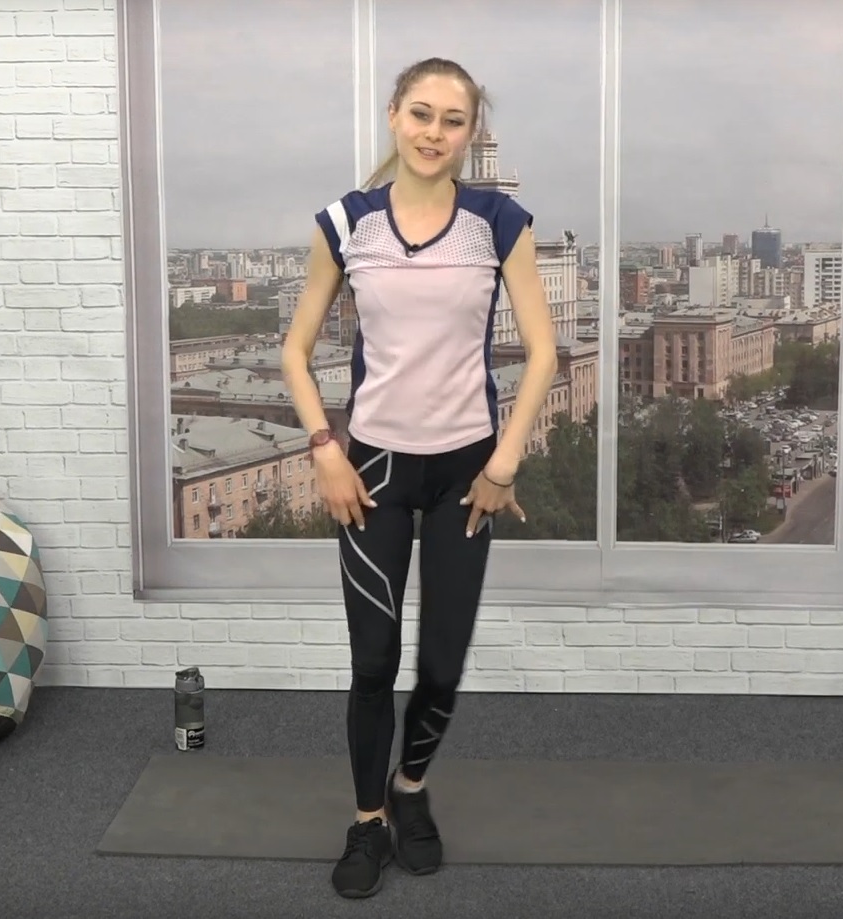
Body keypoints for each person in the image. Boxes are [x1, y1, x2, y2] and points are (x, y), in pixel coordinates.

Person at [279, 57, 558, 899]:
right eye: (422, 114)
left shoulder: (498, 221)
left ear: (470, 134)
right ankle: (367, 820)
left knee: (440, 662)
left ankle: (410, 788)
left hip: (467, 473)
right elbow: (294, 350)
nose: (435, 132)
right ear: (394, 115)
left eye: (453, 120)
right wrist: (325, 448)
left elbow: (543, 351)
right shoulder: (345, 222)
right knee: (374, 661)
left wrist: (503, 461)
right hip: (371, 472)